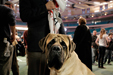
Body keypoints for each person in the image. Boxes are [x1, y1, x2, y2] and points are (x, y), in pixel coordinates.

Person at [19, 0, 65, 75]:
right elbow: (24, 15)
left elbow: (58, 18)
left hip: (54, 45)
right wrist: (45, 7)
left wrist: (64, 38)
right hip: (37, 46)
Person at [0, 1, 16, 75]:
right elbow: (11, 17)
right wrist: (13, 34)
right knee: (4, 67)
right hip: (3, 42)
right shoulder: (5, 9)